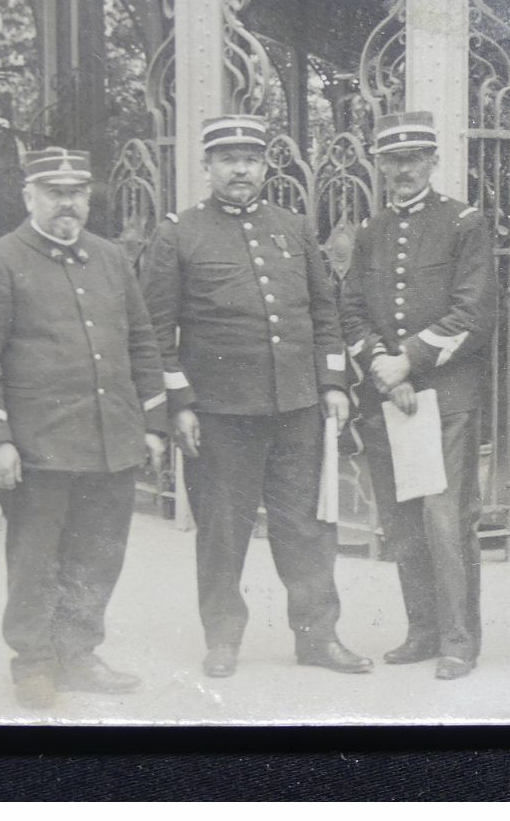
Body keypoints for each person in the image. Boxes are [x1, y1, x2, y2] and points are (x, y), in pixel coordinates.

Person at [139, 114, 367, 679]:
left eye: (251, 158)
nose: (241, 168)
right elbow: (151, 333)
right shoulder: (178, 234)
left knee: (307, 530)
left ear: (266, 165)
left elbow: (323, 313)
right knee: (222, 529)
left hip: (296, 408)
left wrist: (333, 383)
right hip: (219, 413)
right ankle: (222, 639)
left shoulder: (292, 227)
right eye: (228, 158)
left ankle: (318, 636)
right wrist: (180, 403)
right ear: (208, 167)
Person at [0, 147, 167, 709]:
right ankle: (34, 665)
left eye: (76, 193)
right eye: (54, 192)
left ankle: (78, 654)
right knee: (35, 559)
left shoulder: (112, 258)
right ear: (29, 197)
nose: (67, 203)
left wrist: (152, 424)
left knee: (98, 554)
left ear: (88, 197)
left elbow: (141, 343)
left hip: (110, 440)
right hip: (38, 445)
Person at [341, 112, 497, 681]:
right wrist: (384, 365)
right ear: (380, 166)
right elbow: (351, 309)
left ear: (433, 161)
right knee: (401, 519)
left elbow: (474, 312)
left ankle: (459, 640)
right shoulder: (370, 231)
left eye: (413, 158)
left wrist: (410, 358)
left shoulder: (464, 223)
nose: (403, 170)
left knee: (444, 518)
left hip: (445, 395)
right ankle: (424, 631)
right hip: (389, 391)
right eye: (392, 160)